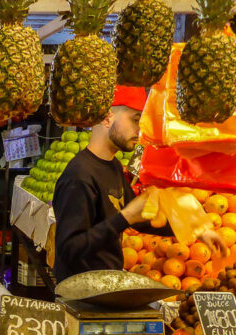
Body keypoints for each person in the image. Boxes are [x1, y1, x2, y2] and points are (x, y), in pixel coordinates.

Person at [52, 86, 226, 282]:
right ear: (107, 118)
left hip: (105, 288)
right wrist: (125, 217)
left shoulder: (113, 166)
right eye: (135, 120)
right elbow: (68, 249)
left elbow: (140, 217)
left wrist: (198, 231)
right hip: (79, 296)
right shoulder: (79, 175)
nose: (140, 130)